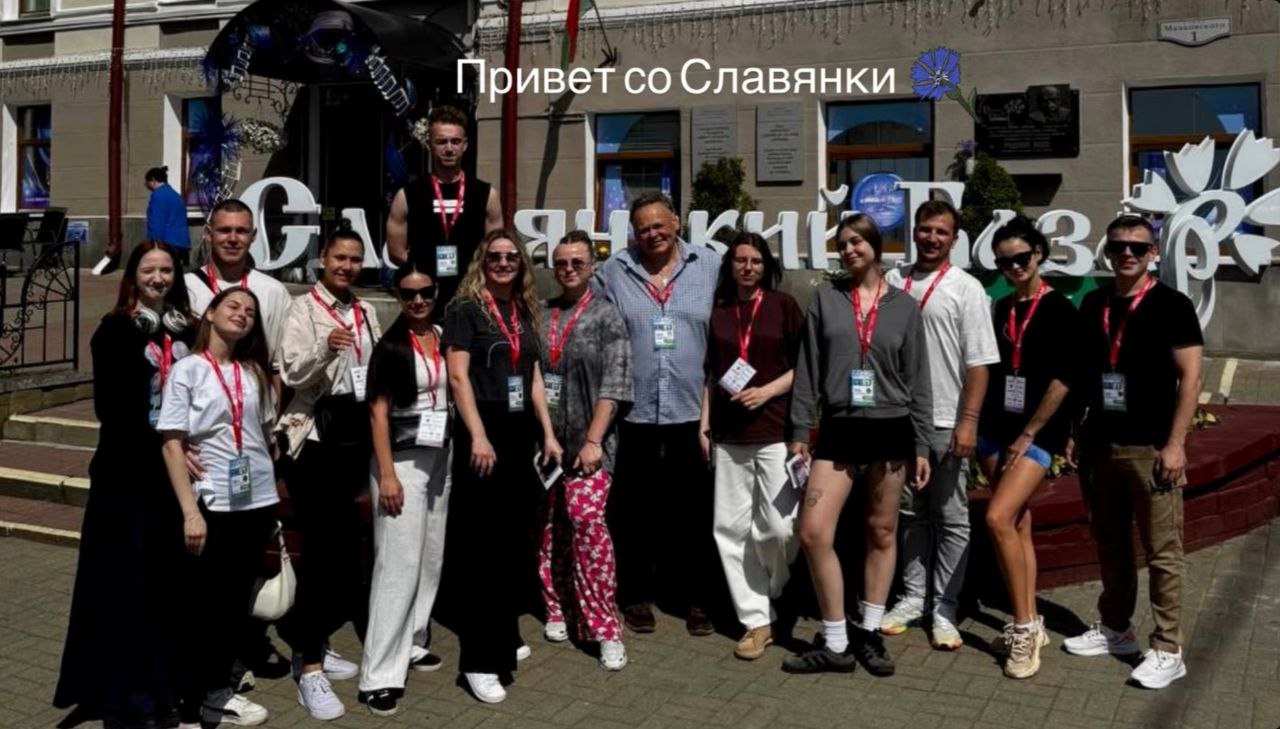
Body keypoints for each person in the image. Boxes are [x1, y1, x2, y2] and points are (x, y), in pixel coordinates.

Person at [783, 215, 933, 676]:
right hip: (839, 428)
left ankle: (868, 633)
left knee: (881, 532)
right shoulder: (826, 300)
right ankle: (835, 640)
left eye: (857, 242)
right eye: (843, 244)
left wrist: (922, 444)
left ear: (875, 247)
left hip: (891, 428)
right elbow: (808, 369)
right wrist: (799, 431)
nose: (849, 250)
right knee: (813, 531)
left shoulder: (905, 307)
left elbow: (918, 379)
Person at [54, 241, 195, 729]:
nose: (158, 278)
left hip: (173, 478)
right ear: (133, 276)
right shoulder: (114, 331)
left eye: (166, 270)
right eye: (148, 269)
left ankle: (163, 686)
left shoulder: (187, 328)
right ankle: (123, 695)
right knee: (125, 585)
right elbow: (112, 411)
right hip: (128, 476)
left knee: (165, 587)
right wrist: (170, 444)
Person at [1063, 215, 1203, 690]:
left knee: (1163, 551)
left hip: (1151, 447)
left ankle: (1168, 649)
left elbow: (1191, 378)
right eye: (1118, 246)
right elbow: (1086, 374)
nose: (1127, 254)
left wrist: (1176, 444)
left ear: (1153, 254)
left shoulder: (1172, 305)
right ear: (1107, 251)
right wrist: (1075, 430)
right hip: (1100, 443)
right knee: (1111, 541)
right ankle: (1116, 629)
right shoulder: (1094, 302)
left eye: (1138, 247)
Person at [595, 191, 722, 636]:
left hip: (694, 413)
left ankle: (699, 597)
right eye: (643, 229)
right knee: (633, 511)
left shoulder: (709, 266)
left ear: (676, 223)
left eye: (659, 225)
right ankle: (635, 595)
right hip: (635, 412)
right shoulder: (614, 271)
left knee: (695, 511)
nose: (652, 234)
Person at [442, 228, 560, 703]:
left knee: (512, 541)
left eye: (512, 256)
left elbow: (533, 376)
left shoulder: (523, 309)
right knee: (483, 548)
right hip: (484, 431)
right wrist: (477, 434)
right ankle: (478, 660)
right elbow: (457, 377)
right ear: (482, 260)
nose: (504, 262)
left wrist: (547, 432)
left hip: (518, 432)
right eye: (495, 256)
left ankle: (504, 631)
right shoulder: (465, 309)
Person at [158, 286, 278, 728]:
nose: (243, 314)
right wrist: (190, 512)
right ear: (209, 312)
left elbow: (265, 435)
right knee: (201, 608)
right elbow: (172, 443)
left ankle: (217, 694)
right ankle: (188, 704)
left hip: (257, 501)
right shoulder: (188, 369)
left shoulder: (253, 371)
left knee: (233, 607)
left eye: (250, 311)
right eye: (233, 306)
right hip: (212, 504)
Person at [275, 225, 383, 720]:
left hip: (353, 440)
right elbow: (292, 373)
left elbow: (374, 372)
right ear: (323, 258)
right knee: (318, 554)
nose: (347, 266)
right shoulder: (303, 309)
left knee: (342, 552)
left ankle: (315, 640)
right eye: (340, 258)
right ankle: (309, 666)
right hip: (314, 443)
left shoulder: (367, 310)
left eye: (355, 259)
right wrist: (326, 347)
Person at [882, 200, 999, 649]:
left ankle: (945, 606)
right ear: (913, 232)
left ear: (954, 239)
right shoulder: (894, 280)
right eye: (925, 229)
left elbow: (980, 364)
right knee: (910, 513)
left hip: (946, 420)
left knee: (950, 517)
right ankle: (914, 597)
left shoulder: (966, 288)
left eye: (941, 232)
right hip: (899, 419)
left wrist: (968, 422)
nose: (932, 238)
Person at [976, 218, 1078, 679]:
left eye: (1021, 257)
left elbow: (1064, 380)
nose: (1014, 267)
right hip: (995, 430)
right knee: (1017, 523)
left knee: (997, 518)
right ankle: (1032, 621)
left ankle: (1022, 628)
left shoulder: (1060, 310)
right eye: (1004, 262)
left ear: (1038, 254)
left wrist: (1031, 432)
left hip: (1035, 435)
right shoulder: (1001, 308)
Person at [700, 231, 804, 660]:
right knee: (729, 528)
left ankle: (776, 584)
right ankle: (756, 620)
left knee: (778, 527)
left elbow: (804, 367)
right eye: (740, 260)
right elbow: (711, 373)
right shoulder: (718, 311)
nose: (748, 267)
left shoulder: (783, 306)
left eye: (756, 261)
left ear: (766, 266)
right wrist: (704, 425)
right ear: (730, 266)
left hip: (775, 430)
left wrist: (766, 392)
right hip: (729, 435)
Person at [356, 263, 451, 717]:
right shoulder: (391, 346)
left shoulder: (443, 335)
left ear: (435, 292)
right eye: (409, 293)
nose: (418, 300)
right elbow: (377, 414)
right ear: (397, 296)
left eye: (425, 292)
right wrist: (388, 474)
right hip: (402, 461)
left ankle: (413, 638)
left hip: (441, 456)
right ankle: (378, 675)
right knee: (398, 564)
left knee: (430, 556)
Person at [537, 231, 633, 671]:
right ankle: (558, 606)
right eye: (561, 263)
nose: (569, 269)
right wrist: (544, 435)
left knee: (587, 524)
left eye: (577, 262)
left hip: (590, 447)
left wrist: (594, 441)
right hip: (548, 446)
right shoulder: (544, 313)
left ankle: (604, 627)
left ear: (592, 266)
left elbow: (616, 384)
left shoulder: (606, 316)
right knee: (550, 528)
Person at [386, 105, 504, 310]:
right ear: (429, 144)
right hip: (424, 298)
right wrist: (425, 270)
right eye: (441, 142)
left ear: (465, 145)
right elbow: (396, 252)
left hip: (473, 294)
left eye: (455, 141)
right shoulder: (408, 195)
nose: (449, 148)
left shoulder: (486, 194)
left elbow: (494, 250)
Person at [185, 199, 292, 359]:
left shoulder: (274, 291)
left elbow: (281, 359)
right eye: (224, 230)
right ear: (208, 233)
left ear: (253, 236)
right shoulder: (186, 286)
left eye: (241, 231)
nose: (233, 239)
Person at [144, 168, 191, 265]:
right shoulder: (176, 195)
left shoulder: (158, 195)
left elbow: (157, 223)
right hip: (182, 243)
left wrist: (152, 245)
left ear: (153, 180)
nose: (146, 185)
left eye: (147, 182)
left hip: (166, 243)